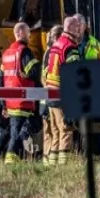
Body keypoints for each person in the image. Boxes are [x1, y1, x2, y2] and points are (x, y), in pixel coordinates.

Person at [0, 22, 41, 165]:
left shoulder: (6, 54)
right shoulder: (24, 52)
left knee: (14, 131)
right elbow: (34, 72)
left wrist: (3, 104)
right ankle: (10, 159)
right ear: (21, 33)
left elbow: (0, 82)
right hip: (23, 100)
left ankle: (12, 158)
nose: (30, 35)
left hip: (11, 102)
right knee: (25, 129)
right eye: (28, 32)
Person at [44, 17, 82, 165]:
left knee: (56, 132)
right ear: (71, 28)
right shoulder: (70, 47)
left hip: (51, 94)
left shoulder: (57, 45)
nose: (80, 30)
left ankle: (52, 163)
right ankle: (64, 165)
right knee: (66, 130)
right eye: (78, 27)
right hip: (62, 95)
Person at [40, 25, 64, 165]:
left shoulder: (48, 52)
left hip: (47, 98)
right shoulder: (53, 52)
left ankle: (48, 161)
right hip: (51, 97)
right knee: (54, 130)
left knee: (50, 131)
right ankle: (51, 160)